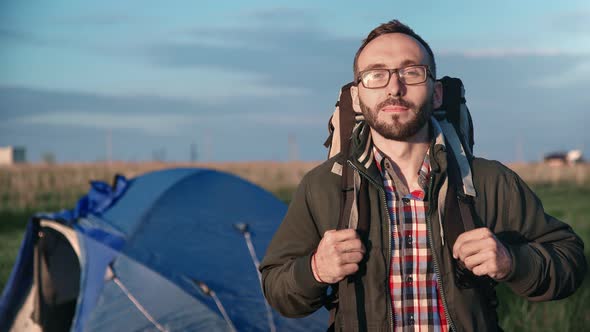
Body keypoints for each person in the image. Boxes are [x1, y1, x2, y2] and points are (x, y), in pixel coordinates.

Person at [259, 19, 586, 331]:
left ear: (438, 93)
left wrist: (513, 261)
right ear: (358, 96)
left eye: (411, 72)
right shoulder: (322, 186)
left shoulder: (489, 181)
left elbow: (569, 261)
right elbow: (277, 288)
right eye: (376, 75)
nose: (395, 86)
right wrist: (315, 269)